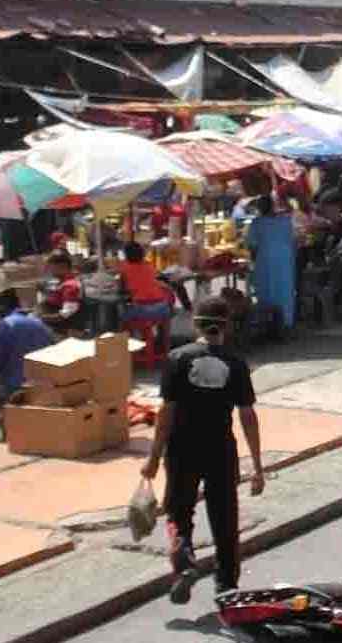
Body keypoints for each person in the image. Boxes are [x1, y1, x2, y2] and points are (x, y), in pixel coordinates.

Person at [141, 296, 263, 604]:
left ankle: (184, 561)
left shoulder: (177, 358)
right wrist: (258, 466)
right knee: (225, 518)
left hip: (182, 448)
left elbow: (166, 413)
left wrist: (154, 458)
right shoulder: (236, 363)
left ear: (195, 322)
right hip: (221, 448)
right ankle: (226, 587)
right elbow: (247, 415)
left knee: (178, 511)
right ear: (228, 326)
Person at [0, 288, 52, 403]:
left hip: (17, 387)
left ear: (2, 306)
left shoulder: (5, 325)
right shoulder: (38, 322)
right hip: (44, 382)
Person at [245, 195, 296, 329]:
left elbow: (252, 246)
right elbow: (293, 240)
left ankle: (269, 324)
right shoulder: (285, 220)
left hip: (265, 261)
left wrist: (252, 261)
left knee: (267, 291)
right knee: (284, 291)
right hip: (285, 260)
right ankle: (285, 323)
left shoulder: (257, 223)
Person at [117, 242, 173, 326]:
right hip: (162, 307)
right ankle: (163, 338)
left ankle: (127, 337)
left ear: (126, 255)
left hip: (142, 309)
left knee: (121, 318)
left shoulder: (125, 269)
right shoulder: (149, 265)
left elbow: (121, 290)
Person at [40, 250, 87, 336]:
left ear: (62, 266)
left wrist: (41, 318)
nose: (49, 271)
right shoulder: (61, 282)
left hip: (66, 331)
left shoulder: (70, 286)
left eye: (51, 268)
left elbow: (65, 314)